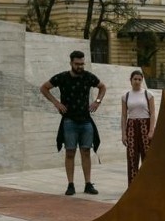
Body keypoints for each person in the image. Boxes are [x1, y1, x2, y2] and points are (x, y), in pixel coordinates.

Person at [40, 50, 106, 195]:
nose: (80, 67)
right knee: (70, 152)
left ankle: (88, 184)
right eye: (77, 64)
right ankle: (70, 184)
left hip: (86, 120)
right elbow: (44, 88)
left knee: (86, 151)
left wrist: (97, 101)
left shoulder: (89, 77)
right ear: (71, 63)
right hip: (69, 120)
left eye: (82, 64)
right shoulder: (62, 77)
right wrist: (56, 103)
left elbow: (102, 87)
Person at [121, 70, 155, 185]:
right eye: (135, 79)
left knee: (147, 156)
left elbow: (153, 113)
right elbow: (124, 115)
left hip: (145, 125)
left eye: (139, 79)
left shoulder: (148, 94)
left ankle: (148, 184)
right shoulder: (125, 96)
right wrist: (123, 134)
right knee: (132, 156)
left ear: (142, 80)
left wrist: (151, 130)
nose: (137, 81)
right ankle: (133, 185)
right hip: (131, 126)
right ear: (131, 80)